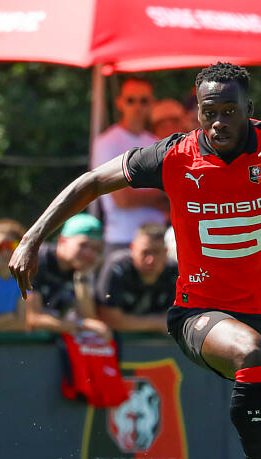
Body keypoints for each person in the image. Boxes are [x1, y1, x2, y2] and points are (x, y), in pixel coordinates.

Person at [10, 62, 261, 459]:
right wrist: (33, 237)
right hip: (201, 311)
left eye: (230, 111)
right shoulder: (173, 155)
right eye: (209, 111)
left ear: (248, 110)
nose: (219, 122)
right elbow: (93, 182)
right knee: (249, 354)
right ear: (197, 113)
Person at [90, 77, 169, 257]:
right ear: (119, 103)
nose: (137, 106)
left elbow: (170, 195)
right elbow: (123, 199)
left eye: (144, 100)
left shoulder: (156, 142)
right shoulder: (107, 142)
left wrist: (141, 191)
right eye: (130, 100)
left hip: (157, 239)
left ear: (152, 104)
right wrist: (158, 193)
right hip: (123, 240)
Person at [24, 213, 111, 340]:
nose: (89, 254)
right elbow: (32, 318)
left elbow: (88, 316)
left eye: (96, 249)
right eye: (83, 245)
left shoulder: (80, 268)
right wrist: (81, 325)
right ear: (62, 240)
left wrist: (83, 277)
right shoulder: (38, 260)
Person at [96, 223, 178, 334]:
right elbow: (109, 318)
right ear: (132, 248)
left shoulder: (174, 272)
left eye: (156, 252)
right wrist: (158, 323)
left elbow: (177, 318)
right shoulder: (117, 267)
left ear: (166, 252)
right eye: (145, 252)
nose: (150, 260)